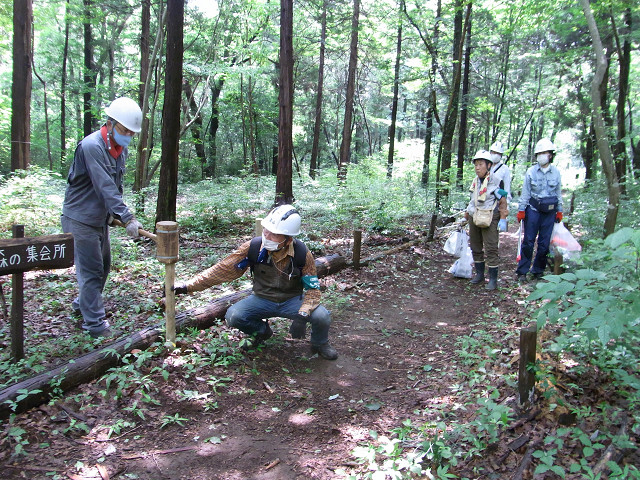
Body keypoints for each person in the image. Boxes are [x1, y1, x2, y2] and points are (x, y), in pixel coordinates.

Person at [172, 205, 338, 360]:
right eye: (266, 230)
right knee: (234, 315)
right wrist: (188, 286)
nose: (267, 236)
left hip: (292, 300)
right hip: (262, 299)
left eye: (274, 234)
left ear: (288, 240)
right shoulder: (253, 247)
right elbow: (221, 270)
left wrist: (302, 316)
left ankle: (320, 343)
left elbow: (313, 290)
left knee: (322, 316)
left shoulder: (302, 254)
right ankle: (261, 332)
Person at [61, 97, 144, 338]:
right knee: (92, 271)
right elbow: (104, 186)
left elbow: (115, 187)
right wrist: (127, 217)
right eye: (125, 130)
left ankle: (82, 305)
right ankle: (95, 325)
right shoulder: (91, 146)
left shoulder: (121, 150)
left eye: (131, 132)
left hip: (99, 219)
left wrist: (112, 215)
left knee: (104, 267)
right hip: (79, 219)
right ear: (111, 123)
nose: (128, 135)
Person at [515, 138, 563, 282]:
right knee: (528, 241)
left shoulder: (556, 173)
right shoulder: (531, 172)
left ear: (550, 155)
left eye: (545, 152)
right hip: (533, 210)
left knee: (544, 244)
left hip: (549, 212)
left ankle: (538, 270)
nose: (542, 155)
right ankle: (522, 271)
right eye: (539, 153)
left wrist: (560, 211)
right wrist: (521, 210)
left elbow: (558, 193)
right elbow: (526, 192)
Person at [464, 150, 508, 290]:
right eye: (476, 165)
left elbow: (502, 201)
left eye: (481, 164)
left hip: (490, 217)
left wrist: (503, 217)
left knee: (491, 248)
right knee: (476, 246)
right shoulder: (475, 181)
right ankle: (479, 274)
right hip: (475, 216)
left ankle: (493, 279)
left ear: (489, 165)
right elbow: (472, 199)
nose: (477, 168)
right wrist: (467, 213)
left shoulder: (496, 181)